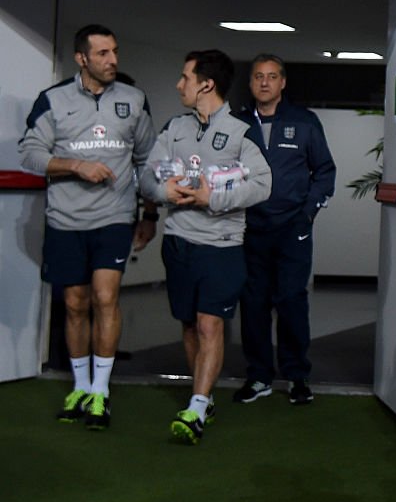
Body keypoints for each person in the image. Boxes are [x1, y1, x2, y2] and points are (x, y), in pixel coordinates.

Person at [19, 24, 157, 430]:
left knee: (104, 297)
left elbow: (147, 162)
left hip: (114, 217)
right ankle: (80, 386)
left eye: (115, 52)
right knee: (76, 304)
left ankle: (101, 391)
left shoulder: (133, 100)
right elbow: (29, 155)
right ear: (82, 59)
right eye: (103, 54)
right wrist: (75, 165)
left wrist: (150, 215)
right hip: (65, 220)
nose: (113, 60)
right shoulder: (53, 100)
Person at [140, 50, 271, 444]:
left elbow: (262, 185)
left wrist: (210, 199)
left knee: (211, 322)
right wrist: (164, 189)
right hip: (179, 242)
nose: (180, 85)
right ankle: (205, 396)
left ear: (206, 84)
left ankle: (196, 407)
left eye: (185, 77)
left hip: (222, 245)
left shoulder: (241, 131)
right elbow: (146, 176)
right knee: (190, 323)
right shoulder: (175, 127)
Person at [233, 54, 336, 406]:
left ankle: (296, 376)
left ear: (283, 83)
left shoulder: (304, 122)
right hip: (249, 229)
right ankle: (259, 375)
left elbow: (324, 172)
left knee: (291, 302)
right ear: (250, 83)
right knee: (253, 304)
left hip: (292, 229)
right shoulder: (236, 124)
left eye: (272, 76)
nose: (264, 82)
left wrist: (307, 214)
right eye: (258, 76)